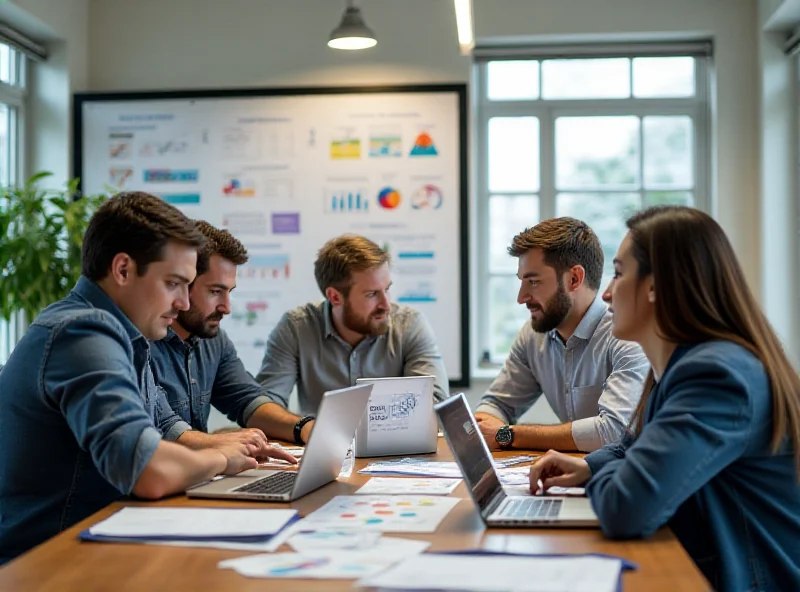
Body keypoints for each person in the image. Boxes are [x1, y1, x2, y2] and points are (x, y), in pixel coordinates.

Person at [529, 206, 800, 591]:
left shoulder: (716, 375)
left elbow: (626, 509)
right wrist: (589, 466)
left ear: (657, 286)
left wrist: (603, 478)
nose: (606, 293)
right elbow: (632, 445)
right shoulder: (687, 361)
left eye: (620, 275)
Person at [0, 192, 262, 564]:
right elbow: (148, 469)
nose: (185, 303)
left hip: (96, 545)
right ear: (122, 270)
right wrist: (221, 458)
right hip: (48, 565)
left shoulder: (124, 336)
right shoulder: (84, 332)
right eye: (173, 283)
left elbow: (154, 436)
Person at [254, 234, 449, 445]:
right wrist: (307, 427)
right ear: (335, 297)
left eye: (387, 289)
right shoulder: (296, 328)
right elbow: (263, 407)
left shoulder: (410, 325)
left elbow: (437, 406)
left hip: (395, 454)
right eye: (372, 294)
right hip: (325, 457)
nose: (386, 304)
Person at [475, 218, 649, 452]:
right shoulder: (534, 335)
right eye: (522, 282)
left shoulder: (626, 335)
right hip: (575, 476)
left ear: (574, 279)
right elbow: (495, 404)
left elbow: (614, 432)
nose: (521, 297)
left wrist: (507, 435)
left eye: (533, 282)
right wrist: (488, 421)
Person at [149, 221, 298, 450]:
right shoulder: (140, 340)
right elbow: (162, 431)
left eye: (230, 292)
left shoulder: (214, 339)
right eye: (215, 292)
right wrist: (221, 443)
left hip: (197, 475)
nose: (226, 307)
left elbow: (248, 399)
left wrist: (306, 428)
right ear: (182, 283)